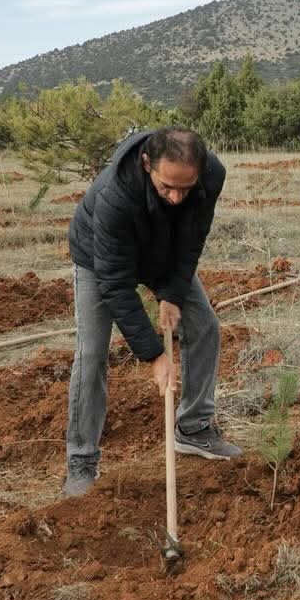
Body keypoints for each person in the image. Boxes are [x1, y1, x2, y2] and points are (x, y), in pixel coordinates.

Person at [62, 126, 237, 498]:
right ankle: (81, 460)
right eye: (165, 187)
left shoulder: (211, 175)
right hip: (100, 259)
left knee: (205, 326)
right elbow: (115, 285)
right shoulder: (115, 195)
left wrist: (171, 294)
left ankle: (193, 430)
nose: (176, 198)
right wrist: (155, 355)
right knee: (92, 353)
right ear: (146, 165)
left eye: (185, 189)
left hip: (164, 253)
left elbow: (193, 238)